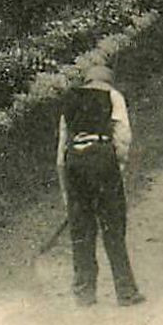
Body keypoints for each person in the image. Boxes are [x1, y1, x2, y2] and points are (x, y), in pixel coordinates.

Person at [56, 62, 144, 307]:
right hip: (102, 161)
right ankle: (126, 292)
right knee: (113, 230)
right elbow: (123, 135)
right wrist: (119, 166)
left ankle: (84, 294)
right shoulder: (113, 96)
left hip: (75, 163)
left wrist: (66, 187)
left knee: (81, 232)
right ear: (107, 81)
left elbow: (62, 147)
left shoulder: (71, 99)